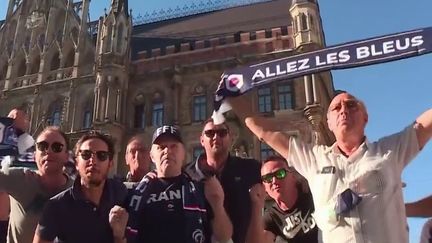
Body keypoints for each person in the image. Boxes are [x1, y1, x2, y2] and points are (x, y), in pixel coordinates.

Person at [228, 91, 432, 243]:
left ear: (365, 118)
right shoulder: (314, 159)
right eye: (336, 108)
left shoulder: (390, 151)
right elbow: (265, 132)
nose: (344, 110)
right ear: (329, 123)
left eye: (351, 105)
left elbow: (424, 125)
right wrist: (230, 92)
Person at [116, 125, 233, 243]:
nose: (167, 151)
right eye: (161, 147)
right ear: (152, 156)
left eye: (174, 146)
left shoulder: (200, 190)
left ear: (184, 154)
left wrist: (218, 205)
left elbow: (223, 238)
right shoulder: (134, 194)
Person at [33, 131, 128, 243]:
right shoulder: (57, 206)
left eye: (101, 156)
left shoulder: (122, 195)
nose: (93, 161)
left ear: (110, 163)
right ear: (76, 162)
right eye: (86, 155)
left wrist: (119, 237)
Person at [184, 118, 261, 243]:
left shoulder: (250, 168)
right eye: (210, 133)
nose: (216, 137)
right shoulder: (186, 174)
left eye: (222, 133)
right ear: (202, 140)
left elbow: (274, 178)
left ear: (230, 138)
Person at [0, 126, 72, 243]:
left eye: (57, 147)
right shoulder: (18, 178)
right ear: (35, 155)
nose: (48, 151)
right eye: (42, 146)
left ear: (66, 156)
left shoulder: (77, 191)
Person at [246, 156, 319, 243]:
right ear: (264, 186)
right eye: (268, 178)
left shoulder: (313, 196)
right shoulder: (272, 217)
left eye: (280, 174)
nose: (274, 181)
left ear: (292, 176)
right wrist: (256, 206)